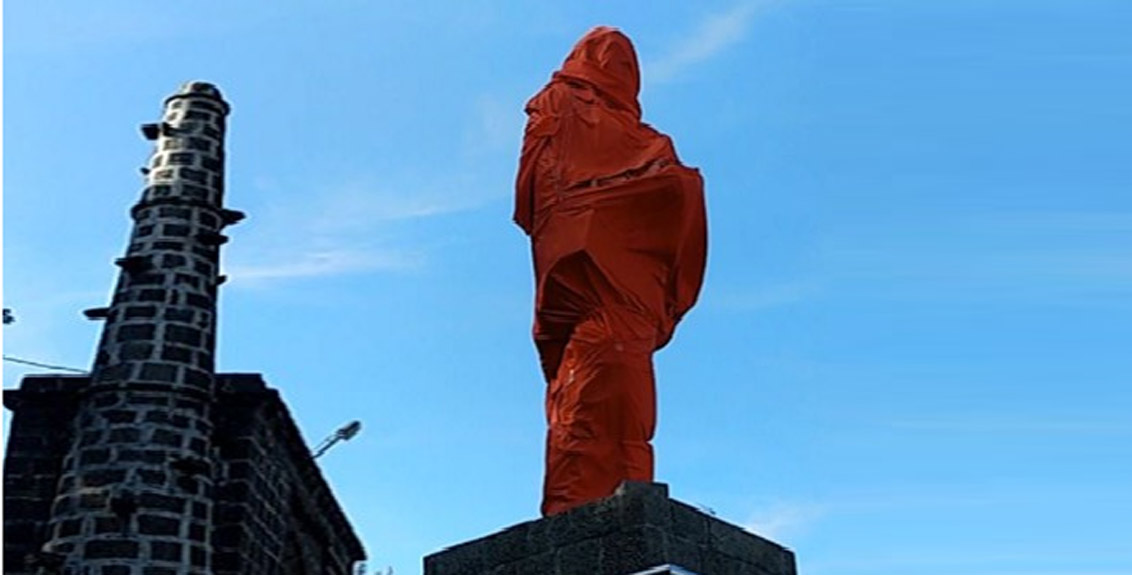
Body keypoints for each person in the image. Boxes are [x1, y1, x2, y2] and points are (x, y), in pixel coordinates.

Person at [514, 26, 708, 516]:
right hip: (596, 291)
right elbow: (543, 200)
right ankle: (581, 508)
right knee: (594, 392)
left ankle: (613, 499)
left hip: (619, 298)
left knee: (618, 394)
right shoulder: (562, 105)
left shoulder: (635, 138)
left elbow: (533, 201)